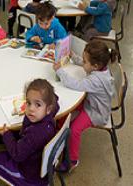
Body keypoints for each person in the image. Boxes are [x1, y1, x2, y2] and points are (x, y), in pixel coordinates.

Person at [0, 79, 60, 185]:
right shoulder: (50, 113)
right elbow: (55, 103)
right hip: (42, 165)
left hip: (28, 176)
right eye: (28, 102)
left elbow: (17, 155)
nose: (31, 109)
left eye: (37, 104)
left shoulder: (34, 135)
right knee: (7, 151)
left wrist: (6, 135)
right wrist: (50, 97)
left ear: (48, 108)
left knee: (2, 159)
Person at [53, 40, 116, 172]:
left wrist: (60, 71)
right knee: (69, 111)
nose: (83, 62)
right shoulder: (101, 68)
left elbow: (76, 85)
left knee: (75, 129)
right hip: (92, 103)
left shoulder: (96, 80)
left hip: (96, 112)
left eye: (85, 61)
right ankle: (60, 135)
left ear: (95, 66)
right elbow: (85, 65)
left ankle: (73, 161)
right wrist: (73, 56)